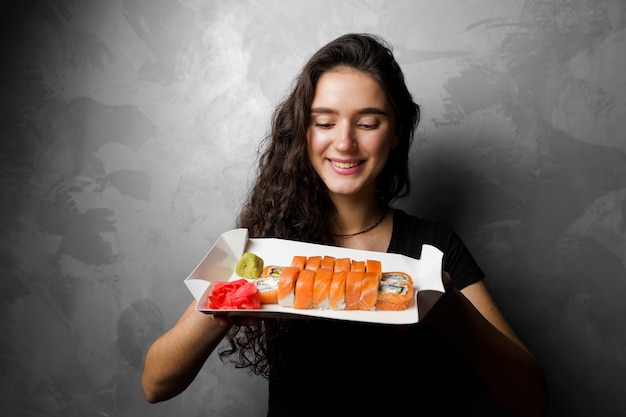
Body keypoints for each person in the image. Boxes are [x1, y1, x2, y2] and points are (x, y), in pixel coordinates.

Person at [141, 33, 549, 416]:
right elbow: (155, 385)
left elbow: (533, 399)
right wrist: (222, 304)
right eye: (324, 122)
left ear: (396, 133)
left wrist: (453, 311)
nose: (344, 142)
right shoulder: (266, 251)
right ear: (303, 131)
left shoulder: (434, 246)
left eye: (368, 123)